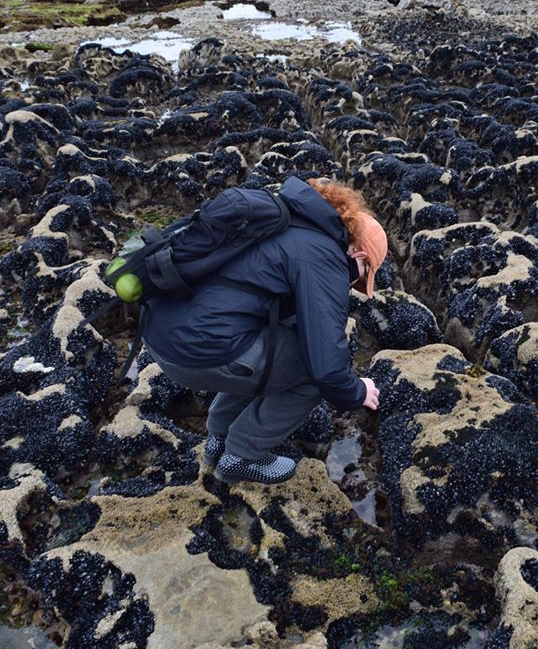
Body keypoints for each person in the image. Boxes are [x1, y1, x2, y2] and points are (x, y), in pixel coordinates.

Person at [140, 175, 387, 484]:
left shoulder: (287, 221)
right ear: (359, 256)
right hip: (197, 350)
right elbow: (326, 369)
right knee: (312, 376)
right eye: (362, 276)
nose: (354, 284)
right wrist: (357, 391)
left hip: (160, 334)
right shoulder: (325, 257)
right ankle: (243, 454)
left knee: (280, 337)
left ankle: (218, 440)